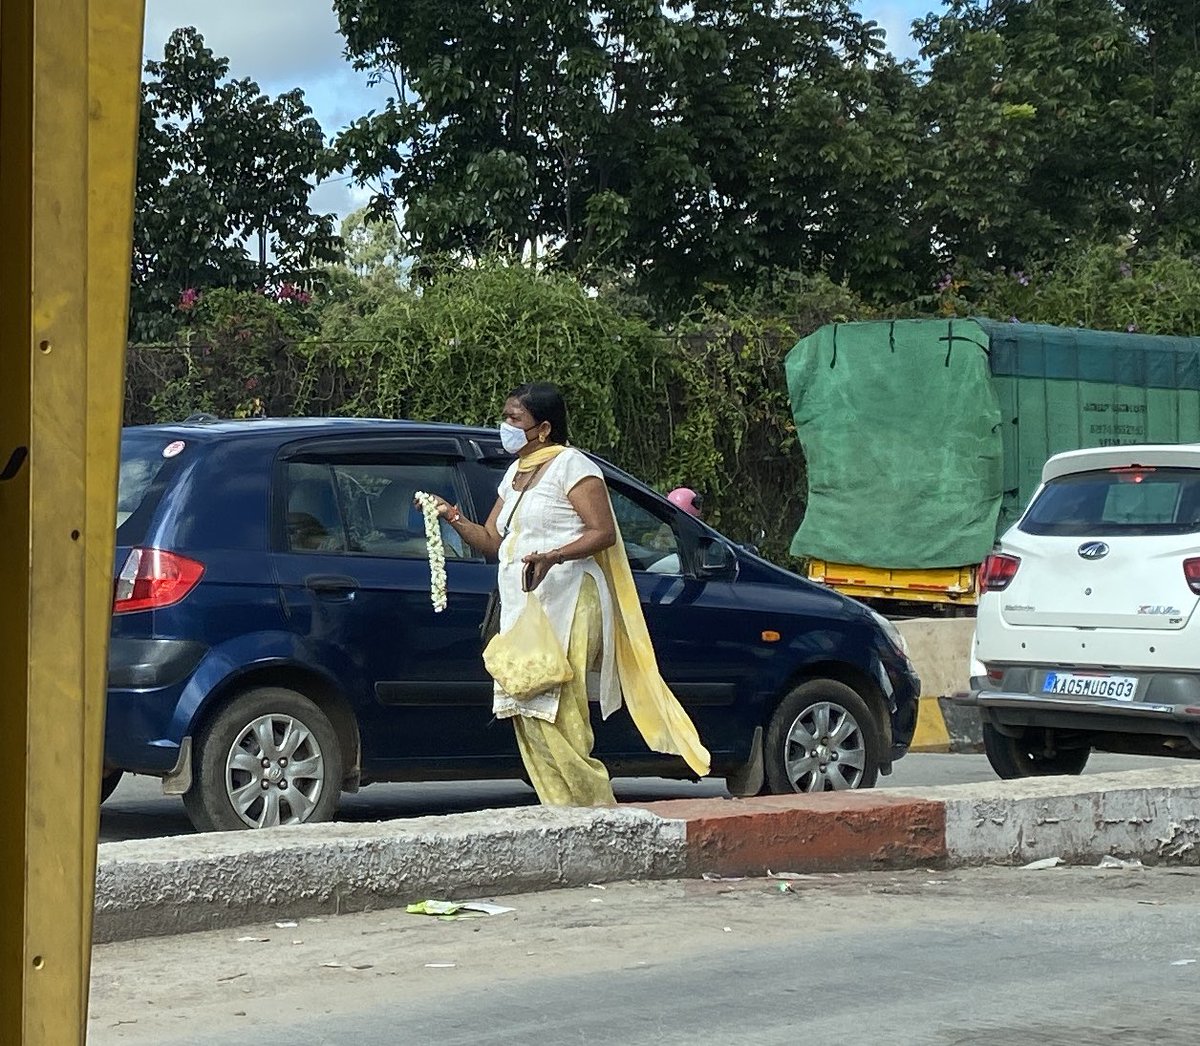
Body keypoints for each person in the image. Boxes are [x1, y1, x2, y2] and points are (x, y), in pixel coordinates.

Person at [424, 382, 710, 806]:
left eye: (513, 419)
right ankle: (559, 811)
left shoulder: (573, 466)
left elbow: (603, 532)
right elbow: (491, 541)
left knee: (558, 707)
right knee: (524, 703)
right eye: (505, 417)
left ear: (542, 428)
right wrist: (450, 515)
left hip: (571, 599)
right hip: (525, 606)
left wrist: (554, 556)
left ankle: (594, 811)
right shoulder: (515, 474)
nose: (505, 427)